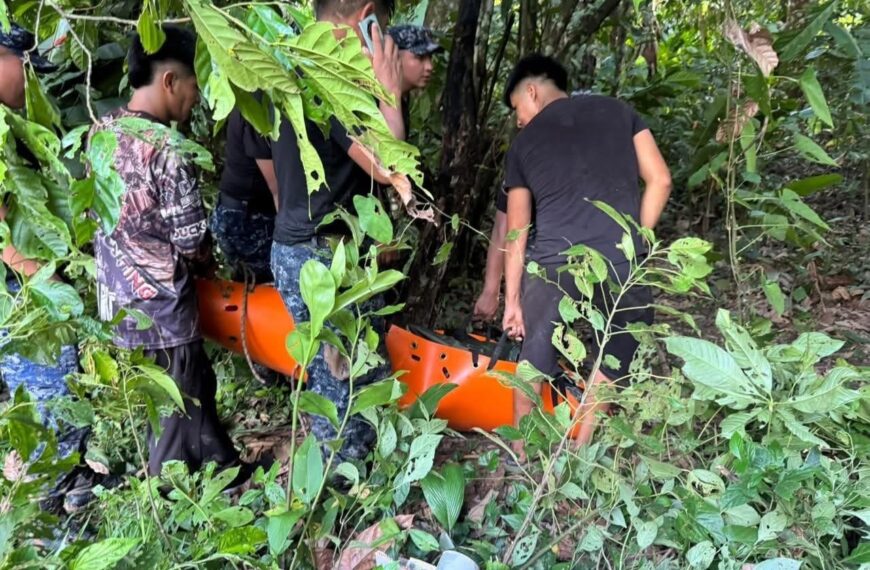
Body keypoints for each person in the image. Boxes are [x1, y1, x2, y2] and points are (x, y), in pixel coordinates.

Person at [91, 26, 249, 480]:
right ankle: (167, 505)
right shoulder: (167, 150)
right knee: (174, 422)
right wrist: (210, 270)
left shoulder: (101, 133)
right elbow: (191, 242)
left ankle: (223, 466)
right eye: (194, 86)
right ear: (170, 82)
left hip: (119, 304)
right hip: (163, 308)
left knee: (193, 390)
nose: (196, 98)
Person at [499, 54, 672, 451]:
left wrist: (512, 302)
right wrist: (636, 242)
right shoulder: (619, 111)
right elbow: (660, 180)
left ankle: (522, 454)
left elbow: (516, 230)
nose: (519, 120)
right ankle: (584, 449)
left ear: (532, 91)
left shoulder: (524, 144)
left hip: (553, 265)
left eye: (516, 109)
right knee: (613, 354)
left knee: (535, 356)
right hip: (620, 260)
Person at [265, 0, 404, 463]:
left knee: (337, 383)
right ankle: (347, 500)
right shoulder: (331, 81)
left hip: (297, 248)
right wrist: (389, 90)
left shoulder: (296, 65)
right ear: (366, 17)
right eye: (379, 27)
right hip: (323, 261)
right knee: (352, 391)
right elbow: (391, 166)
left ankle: (340, 493)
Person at [0, 23, 97, 512]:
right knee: (49, 401)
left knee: (55, 399)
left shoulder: (11, 127)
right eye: (25, 70)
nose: (31, 83)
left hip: (23, 289)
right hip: (21, 297)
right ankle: (52, 516)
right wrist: (48, 282)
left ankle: (65, 491)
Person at [209, 106, 278, 284]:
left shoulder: (248, 101)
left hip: (237, 211)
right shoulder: (255, 108)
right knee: (266, 282)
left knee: (249, 282)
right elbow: (278, 188)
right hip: (247, 218)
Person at [387, 24, 441, 132]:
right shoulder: (373, 99)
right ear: (394, 55)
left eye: (430, 57)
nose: (430, 67)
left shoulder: (402, 98)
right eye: (420, 57)